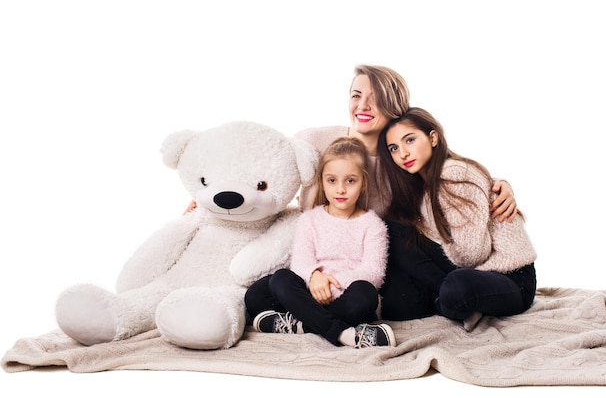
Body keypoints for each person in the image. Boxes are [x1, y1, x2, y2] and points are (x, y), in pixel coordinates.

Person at [184, 64, 519, 220]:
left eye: (374, 99)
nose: (362, 106)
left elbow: (448, 169)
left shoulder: (403, 158)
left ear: (395, 106)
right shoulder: (313, 141)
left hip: (370, 258)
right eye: (356, 95)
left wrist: (498, 185)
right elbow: (264, 178)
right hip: (310, 249)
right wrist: (215, 201)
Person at [377, 107, 537, 330]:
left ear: (433, 138)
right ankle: (447, 299)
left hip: (512, 278)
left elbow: (473, 254)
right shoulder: (423, 186)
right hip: (477, 273)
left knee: (456, 287)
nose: (403, 153)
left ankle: (448, 297)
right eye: (394, 148)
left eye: (410, 140)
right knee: (399, 304)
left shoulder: (451, 173)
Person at [245, 137, 394, 348]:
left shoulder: (373, 225)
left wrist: (330, 284)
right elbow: (301, 261)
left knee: (366, 294)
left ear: (363, 183)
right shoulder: (310, 219)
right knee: (276, 281)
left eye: (350, 180)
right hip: (310, 290)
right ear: (323, 182)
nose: (340, 189)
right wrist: (315, 278)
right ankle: (343, 334)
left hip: (347, 295)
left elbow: (374, 272)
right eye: (332, 180)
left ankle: (299, 324)